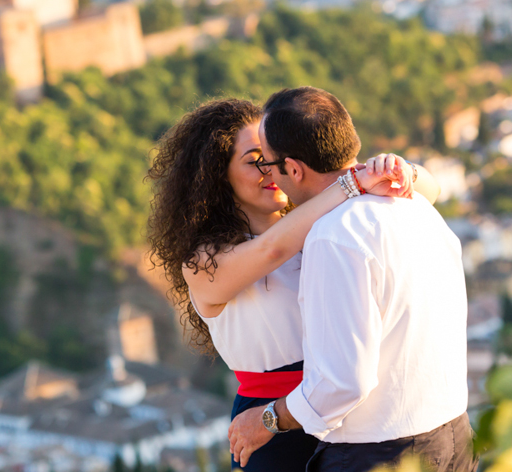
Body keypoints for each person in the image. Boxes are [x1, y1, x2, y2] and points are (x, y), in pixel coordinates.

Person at [147, 98, 440, 472]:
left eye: (273, 156)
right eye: (255, 160)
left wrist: (399, 171)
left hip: (350, 411)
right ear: (217, 176)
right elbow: (272, 249)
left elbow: (429, 194)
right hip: (271, 427)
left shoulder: (322, 222)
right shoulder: (203, 261)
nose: (271, 168)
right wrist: (352, 184)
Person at [227, 87, 475, 472]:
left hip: (380, 454)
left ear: (293, 169)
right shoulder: (419, 209)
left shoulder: (333, 237)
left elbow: (342, 383)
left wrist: (265, 420)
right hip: (455, 436)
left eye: (270, 166)